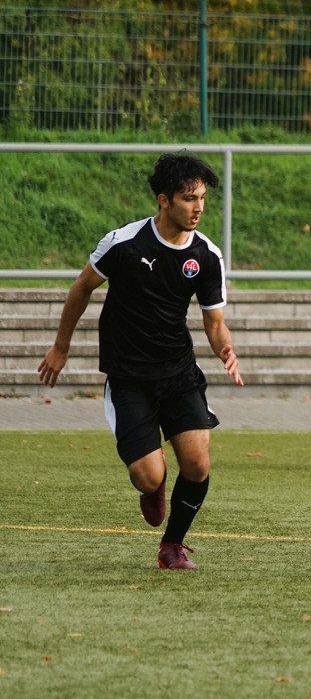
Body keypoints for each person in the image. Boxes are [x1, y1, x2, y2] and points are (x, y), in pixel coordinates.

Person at [36, 151, 243, 570]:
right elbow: (81, 288)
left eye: (202, 198)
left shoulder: (206, 255)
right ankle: (154, 482)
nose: (199, 207)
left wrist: (226, 348)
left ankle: (172, 545)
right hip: (129, 376)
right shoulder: (125, 243)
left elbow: (215, 322)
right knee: (147, 475)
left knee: (198, 463)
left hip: (179, 373)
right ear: (164, 200)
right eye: (189, 198)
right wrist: (61, 346)